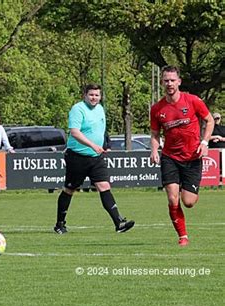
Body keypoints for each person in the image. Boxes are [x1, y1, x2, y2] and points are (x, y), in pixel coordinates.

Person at [54, 83, 135, 235]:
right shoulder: (77, 109)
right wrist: (92, 145)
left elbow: (101, 131)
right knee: (69, 189)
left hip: (96, 157)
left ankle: (119, 223)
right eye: (91, 95)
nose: (94, 98)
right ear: (85, 95)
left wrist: (105, 145)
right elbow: (75, 132)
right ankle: (60, 224)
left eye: (97, 95)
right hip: (77, 157)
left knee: (104, 186)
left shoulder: (100, 109)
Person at [150, 65, 214, 247]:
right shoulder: (157, 109)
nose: (169, 84)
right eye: (166, 80)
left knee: (189, 202)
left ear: (179, 81)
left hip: (192, 157)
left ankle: (191, 193)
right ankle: (183, 236)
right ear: (162, 82)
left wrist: (204, 142)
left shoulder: (192, 101)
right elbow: (155, 134)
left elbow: (209, 120)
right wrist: (154, 150)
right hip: (170, 157)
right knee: (172, 198)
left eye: (172, 80)